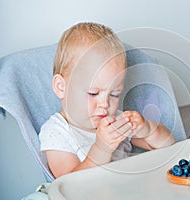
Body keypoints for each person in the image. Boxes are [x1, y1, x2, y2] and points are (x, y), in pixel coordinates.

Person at [39, 22, 175, 178]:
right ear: (61, 87)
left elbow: (168, 145)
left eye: (115, 94)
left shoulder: (115, 120)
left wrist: (148, 129)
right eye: (93, 93)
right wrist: (102, 148)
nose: (105, 104)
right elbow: (68, 184)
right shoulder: (56, 132)